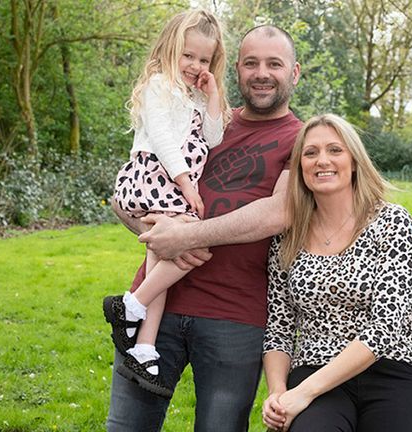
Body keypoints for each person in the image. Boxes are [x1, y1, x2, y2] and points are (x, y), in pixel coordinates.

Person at [106, 23, 303, 432]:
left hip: (234, 316)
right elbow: (138, 183)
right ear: (236, 69)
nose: (261, 73)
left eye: (274, 64)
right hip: (154, 303)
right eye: (251, 63)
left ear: (294, 73)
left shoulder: (300, 138)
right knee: (126, 427)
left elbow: (278, 212)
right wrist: (150, 226)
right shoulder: (200, 116)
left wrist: (188, 236)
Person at [261, 114, 412, 432]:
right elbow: (279, 328)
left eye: (334, 150)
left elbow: (385, 328)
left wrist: (303, 393)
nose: (322, 160)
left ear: (354, 161)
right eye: (310, 153)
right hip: (313, 368)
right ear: (300, 168)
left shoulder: (391, 223)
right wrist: (279, 395)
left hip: (390, 369)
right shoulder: (287, 236)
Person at [103, 8, 228, 399]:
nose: (194, 65)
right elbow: (161, 139)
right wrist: (186, 185)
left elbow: (214, 138)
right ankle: (131, 303)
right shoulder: (160, 85)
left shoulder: (194, 94)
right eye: (187, 56)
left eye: (203, 59)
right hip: (154, 177)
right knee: (192, 242)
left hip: (172, 185)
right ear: (170, 49)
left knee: (162, 255)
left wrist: (213, 94)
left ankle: (144, 344)